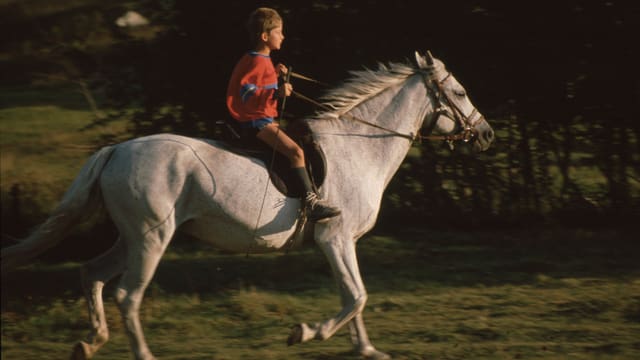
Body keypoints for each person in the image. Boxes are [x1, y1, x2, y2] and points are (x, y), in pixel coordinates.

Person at [226, 7, 340, 222]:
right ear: (265, 36)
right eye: (279, 32)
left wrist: (275, 74)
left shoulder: (261, 60)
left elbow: (257, 84)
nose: (283, 36)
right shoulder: (258, 61)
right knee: (296, 152)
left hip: (261, 121)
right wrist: (277, 92)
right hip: (259, 124)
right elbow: (247, 92)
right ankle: (311, 203)